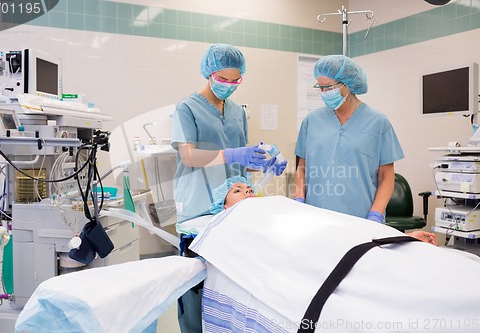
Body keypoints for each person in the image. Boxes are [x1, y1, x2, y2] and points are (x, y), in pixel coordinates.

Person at [171, 43, 286, 333]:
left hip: (233, 210)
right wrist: (234, 154)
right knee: (195, 285)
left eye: (236, 81)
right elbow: (188, 156)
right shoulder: (187, 108)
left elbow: (240, 161)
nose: (229, 86)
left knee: (228, 284)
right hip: (199, 205)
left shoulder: (237, 111)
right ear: (209, 74)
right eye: (223, 80)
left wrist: (264, 165)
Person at [293, 54, 404, 225]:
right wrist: (299, 198)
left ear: (347, 84)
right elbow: (302, 168)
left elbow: (386, 176)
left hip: (360, 219)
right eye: (320, 87)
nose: (324, 93)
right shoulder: (312, 121)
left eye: (329, 87)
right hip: (316, 217)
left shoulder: (378, 122)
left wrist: (376, 213)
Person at [211, 176, 437, 245]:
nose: (247, 190)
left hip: (309, 229)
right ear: (225, 206)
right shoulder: (231, 225)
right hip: (297, 242)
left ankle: (401, 238)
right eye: (238, 190)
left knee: (341, 228)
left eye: (249, 188)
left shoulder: (270, 205)